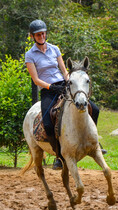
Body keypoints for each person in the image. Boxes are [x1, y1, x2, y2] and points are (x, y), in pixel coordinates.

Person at [25, 19, 106, 170]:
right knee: (48, 122)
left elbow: (63, 70)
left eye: (43, 33)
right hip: (47, 90)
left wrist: (70, 82)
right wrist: (50, 87)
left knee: (94, 109)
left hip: (64, 85)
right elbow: (36, 79)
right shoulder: (30, 55)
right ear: (32, 36)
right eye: (38, 34)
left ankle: (95, 143)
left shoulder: (54, 49)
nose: (41, 36)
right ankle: (59, 156)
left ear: (46, 33)